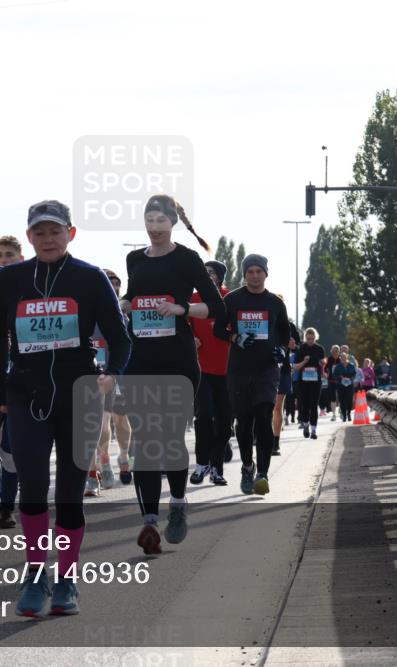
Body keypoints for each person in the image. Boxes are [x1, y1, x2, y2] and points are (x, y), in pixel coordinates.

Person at [0, 199, 130, 617]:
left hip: (79, 393)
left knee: (69, 493)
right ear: (29, 236)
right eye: (40, 232)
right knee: (31, 487)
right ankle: (35, 575)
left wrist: (112, 373)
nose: (48, 239)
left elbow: (121, 340)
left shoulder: (89, 278)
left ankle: (66, 578)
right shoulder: (12, 278)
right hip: (26, 393)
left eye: (56, 231)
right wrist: (2, 383)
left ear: (71, 233)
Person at [121, 194, 225, 555]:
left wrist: (182, 308)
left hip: (179, 359)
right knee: (146, 440)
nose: (154, 227)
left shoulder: (187, 258)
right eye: (148, 220)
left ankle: (178, 505)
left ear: (172, 223)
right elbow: (133, 297)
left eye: (160, 221)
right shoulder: (135, 259)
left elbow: (216, 306)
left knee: (169, 438)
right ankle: (149, 521)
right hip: (141, 360)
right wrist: (122, 304)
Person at [214, 255, 289, 495]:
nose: (255, 276)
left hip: (266, 370)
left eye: (259, 271)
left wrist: (281, 351)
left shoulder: (275, 303)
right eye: (250, 272)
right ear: (244, 274)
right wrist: (235, 337)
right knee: (244, 424)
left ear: (266, 274)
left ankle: (263, 474)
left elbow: (285, 336)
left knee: (264, 418)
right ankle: (248, 466)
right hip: (239, 370)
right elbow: (218, 329)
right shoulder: (232, 300)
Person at [88, 268, 134, 492]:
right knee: (100, 425)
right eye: (108, 282)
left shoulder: (123, 314)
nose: (112, 286)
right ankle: (101, 462)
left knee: (122, 423)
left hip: (118, 374)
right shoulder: (86, 307)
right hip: (94, 374)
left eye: (116, 282)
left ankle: (124, 457)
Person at [189, 260, 231, 486]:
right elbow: (182, 324)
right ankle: (201, 464)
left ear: (220, 277)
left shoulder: (230, 298)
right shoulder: (193, 299)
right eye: (203, 273)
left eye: (212, 273)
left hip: (228, 371)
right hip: (201, 370)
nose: (207, 276)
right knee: (203, 417)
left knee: (224, 421)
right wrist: (190, 338)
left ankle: (217, 468)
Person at [0, 235, 23, 527]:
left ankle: (6, 508)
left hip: (20, 379)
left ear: (21, 258)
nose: (3, 259)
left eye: (9, 254)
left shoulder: (28, 287)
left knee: (12, 447)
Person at [271, 312, 300, 457]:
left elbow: (297, 346)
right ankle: (264, 437)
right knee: (265, 407)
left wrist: (293, 345)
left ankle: (275, 442)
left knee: (277, 407)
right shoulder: (265, 323)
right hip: (263, 369)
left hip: (282, 370)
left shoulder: (290, 327)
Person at [293, 327, 326, 440]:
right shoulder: (301, 349)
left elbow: (323, 363)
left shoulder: (320, 348)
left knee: (314, 405)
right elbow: (296, 367)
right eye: (308, 339)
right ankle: (306, 425)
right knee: (304, 405)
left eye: (312, 339)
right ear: (305, 338)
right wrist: (304, 361)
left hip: (316, 381)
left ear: (315, 338)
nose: (310, 341)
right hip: (303, 382)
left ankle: (313, 430)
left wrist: (322, 362)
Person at [332, 352, 357, 421]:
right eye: (342, 357)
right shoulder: (337, 366)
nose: (343, 358)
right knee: (342, 401)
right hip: (341, 385)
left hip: (349, 385)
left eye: (344, 357)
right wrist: (340, 377)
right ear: (340, 358)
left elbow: (354, 374)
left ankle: (348, 413)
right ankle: (344, 415)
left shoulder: (351, 365)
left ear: (347, 358)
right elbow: (334, 375)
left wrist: (350, 378)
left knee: (349, 400)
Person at [324, 344, 341, 421]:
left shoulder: (341, 360)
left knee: (341, 397)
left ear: (339, 352)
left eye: (337, 351)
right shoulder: (329, 359)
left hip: (340, 381)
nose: (335, 352)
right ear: (331, 351)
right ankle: (334, 414)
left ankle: (341, 412)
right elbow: (324, 369)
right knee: (333, 398)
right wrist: (325, 374)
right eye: (333, 351)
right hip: (331, 381)